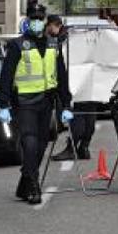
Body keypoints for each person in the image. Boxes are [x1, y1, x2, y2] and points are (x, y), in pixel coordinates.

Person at [0, 5, 72, 204]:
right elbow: (6, 75)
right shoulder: (18, 45)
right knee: (29, 142)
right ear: (28, 21)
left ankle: (25, 181)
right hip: (24, 102)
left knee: (40, 145)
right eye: (34, 18)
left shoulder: (52, 44)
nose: (37, 22)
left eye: (40, 18)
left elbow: (61, 75)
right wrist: (3, 104)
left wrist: (66, 104)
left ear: (45, 22)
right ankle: (33, 186)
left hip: (46, 101)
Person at [42, 14, 94, 162]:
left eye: (48, 27)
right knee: (89, 113)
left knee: (76, 115)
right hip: (89, 82)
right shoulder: (79, 37)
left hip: (72, 84)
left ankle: (71, 149)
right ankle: (84, 147)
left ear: (52, 25)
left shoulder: (63, 40)